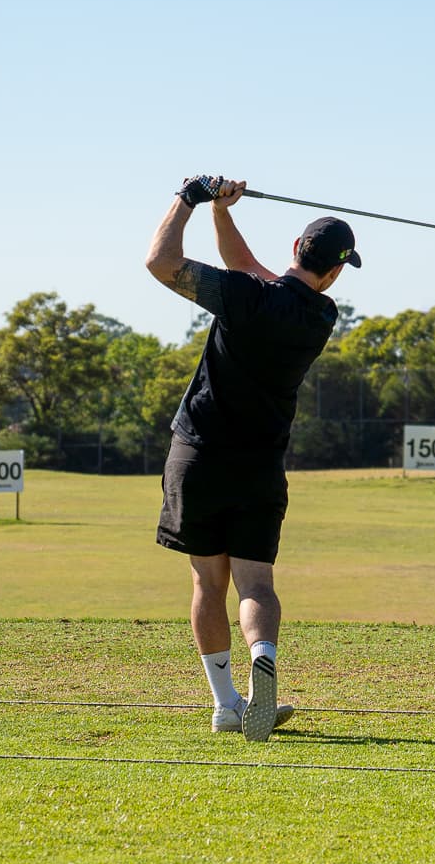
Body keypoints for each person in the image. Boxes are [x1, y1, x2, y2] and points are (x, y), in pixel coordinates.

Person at [144, 174, 360, 741]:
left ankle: (225, 704)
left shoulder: (242, 296)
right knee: (256, 587)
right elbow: (252, 270)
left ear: (295, 247)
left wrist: (190, 198)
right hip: (259, 468)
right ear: (334, 271)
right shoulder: (320, 315)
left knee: (206, 584)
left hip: (199, 455)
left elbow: (160, 262)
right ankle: (262, 653)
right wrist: (223, 212)